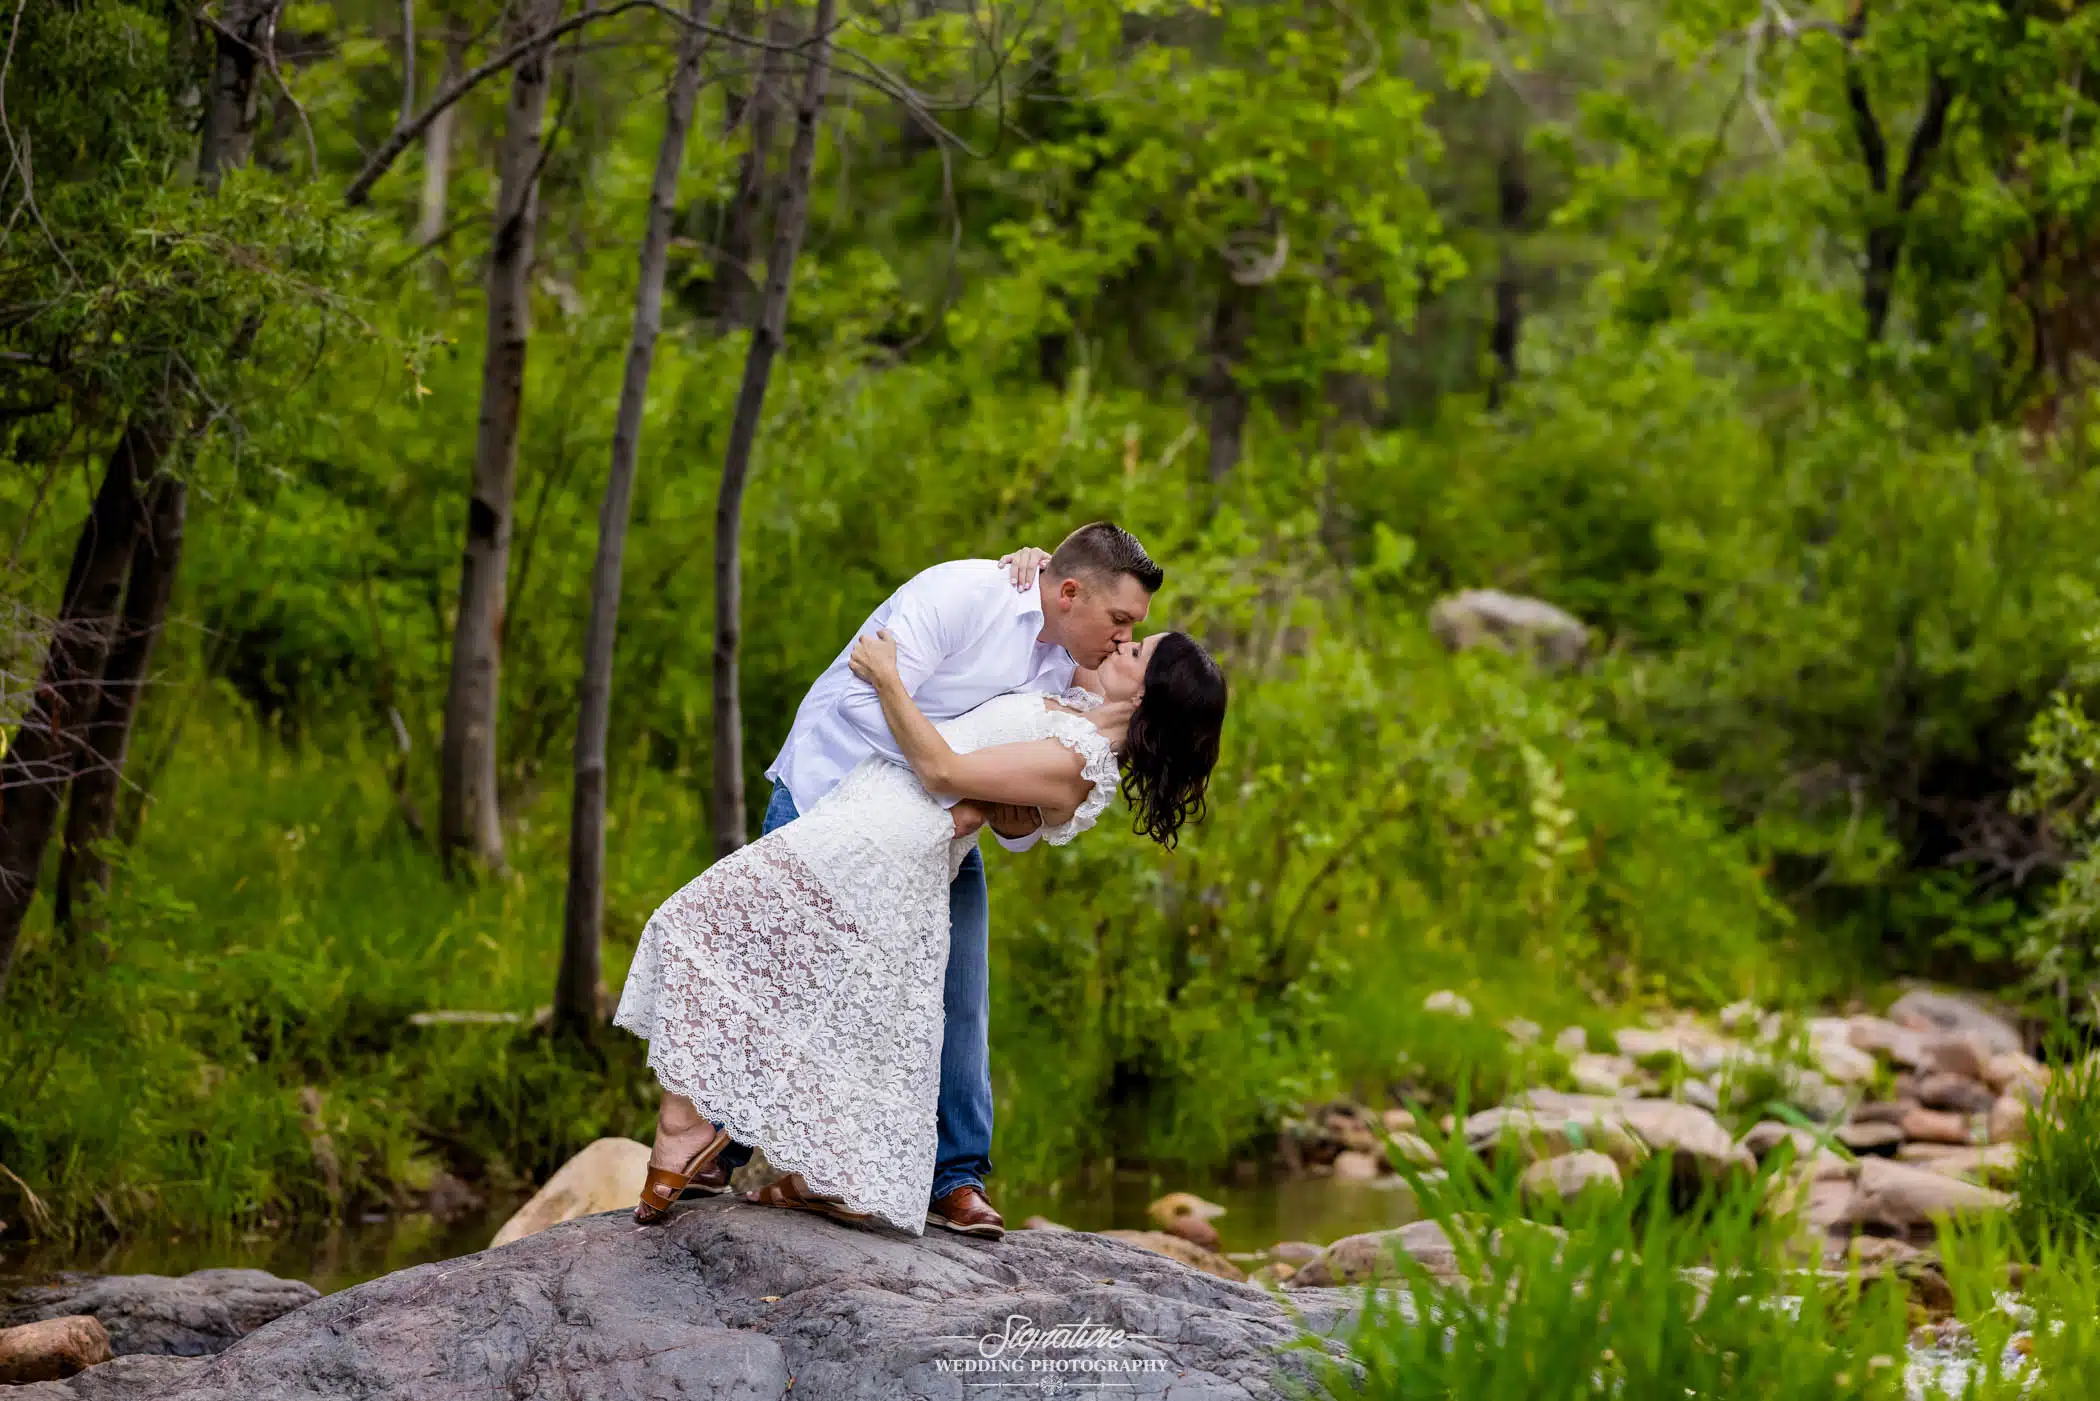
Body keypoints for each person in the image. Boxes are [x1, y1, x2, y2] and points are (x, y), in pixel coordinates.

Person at [612, 526, 1228, 1235]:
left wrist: (955, 790)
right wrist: (948, 786)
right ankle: (725, 1139)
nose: (1122, 641)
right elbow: (859, 704)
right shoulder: (964, 595)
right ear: (1068, 593)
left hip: (928, 832)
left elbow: (1018, 818)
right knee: (784, 967)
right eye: (1122, 624)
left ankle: (950, 1175)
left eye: (1135, 639)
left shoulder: (1077, 668)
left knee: (952, 995)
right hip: (833, 790)